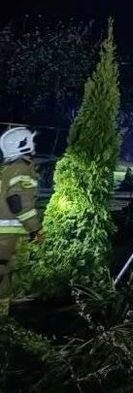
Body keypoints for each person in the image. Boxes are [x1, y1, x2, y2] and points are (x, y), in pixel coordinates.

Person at [0, 127, 43, 316]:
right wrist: (35, 229)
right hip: (6, 234)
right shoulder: (21, 169)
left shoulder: (8, 169)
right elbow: (18, 202)